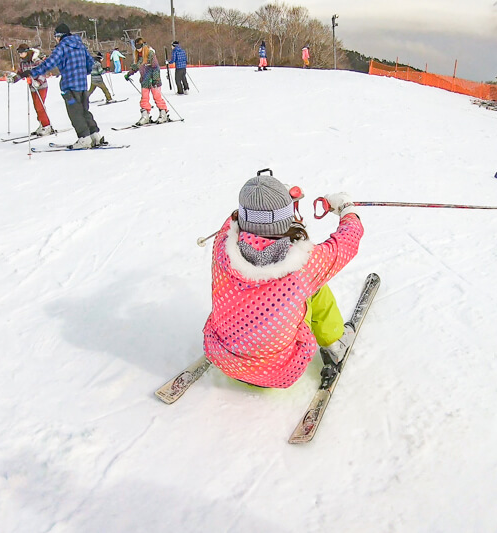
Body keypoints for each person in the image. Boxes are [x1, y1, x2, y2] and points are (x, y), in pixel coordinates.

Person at [202, 172, 363, 388]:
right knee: (315, 288)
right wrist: (347, 209)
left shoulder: (222, 245)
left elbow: (234, 219)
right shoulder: (304, 264)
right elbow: (346, 244)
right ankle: (335, 344)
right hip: (281, 370)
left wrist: (273, 203)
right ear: (287, 217)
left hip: (222, 358)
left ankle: (238, 347)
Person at [22, 23, 103, 149]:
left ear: (59, 36)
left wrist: (32, 72)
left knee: (75, 113)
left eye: (56, 36)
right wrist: (83, 72)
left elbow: (49, 63)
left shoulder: (62, 47)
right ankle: (95, 135)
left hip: (70, 86)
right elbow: (90, 63)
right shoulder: (80, 45)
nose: (56, 39)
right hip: (82, 85)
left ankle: (84, 138)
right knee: (84, 110)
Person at [9, 44, 55, 136]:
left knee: (39, 106)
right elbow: (21, 73)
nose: (20, 55)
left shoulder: (36, 61)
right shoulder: (23, 63)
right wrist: (13, 79)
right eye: (19, 53)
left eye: (21, 53)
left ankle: (47, 126)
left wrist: (38, 82)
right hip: (32, 87)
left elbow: (42, 73)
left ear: (26, 52)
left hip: (41, 86)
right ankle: (42, 124)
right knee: (36, 107)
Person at [125, 37, 169, 125]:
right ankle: (145, 116)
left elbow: (156, 67)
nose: (138, 48)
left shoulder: (150, 53)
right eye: (136, 46)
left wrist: (155, 79)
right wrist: (129, 74)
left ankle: (163, 114)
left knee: (157, 97)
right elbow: (137, 66)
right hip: (145, 80)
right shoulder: (139, 55)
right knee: (144, 98)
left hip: (153, 80)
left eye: (139, 46)